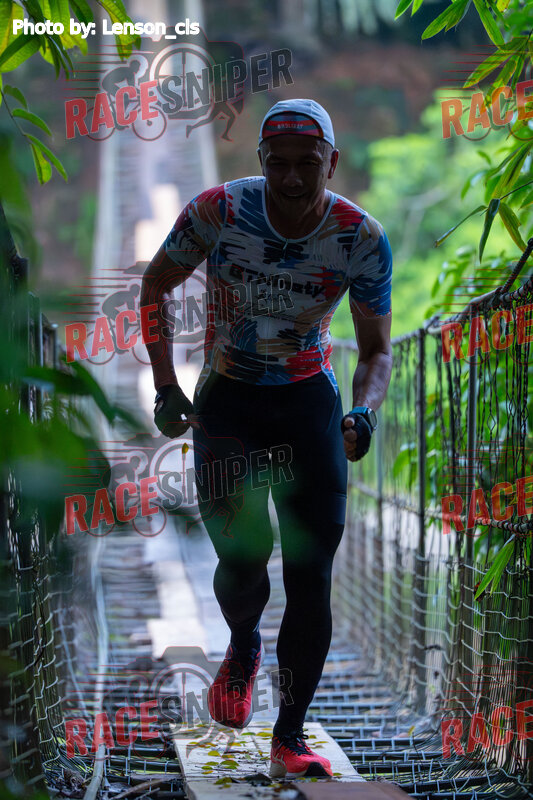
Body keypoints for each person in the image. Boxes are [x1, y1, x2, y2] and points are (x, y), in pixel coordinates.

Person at [141, 98, 393, 778]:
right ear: (259, 161)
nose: (291, 178)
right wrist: (165, 386)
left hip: (309, 407)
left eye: (306, 164)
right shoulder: (218, 211)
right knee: (243, 561)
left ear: (332, 163)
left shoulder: (359, 237)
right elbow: (155, 286)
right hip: (229, 406)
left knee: (311, 576)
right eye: (276, 163)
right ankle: (244, 641)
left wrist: (364, 412)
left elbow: (376, 350)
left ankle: (289, 736)